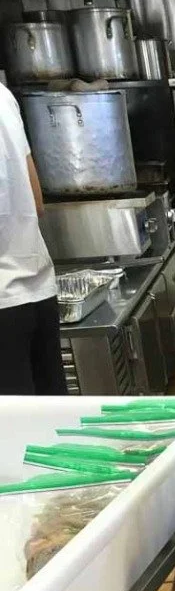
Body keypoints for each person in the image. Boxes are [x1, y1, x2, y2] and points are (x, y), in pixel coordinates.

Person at [0, 80, 66, 394]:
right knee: (53, 424)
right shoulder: (3, 96)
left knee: (12, 437)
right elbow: (36, 201)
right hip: (37, 290)